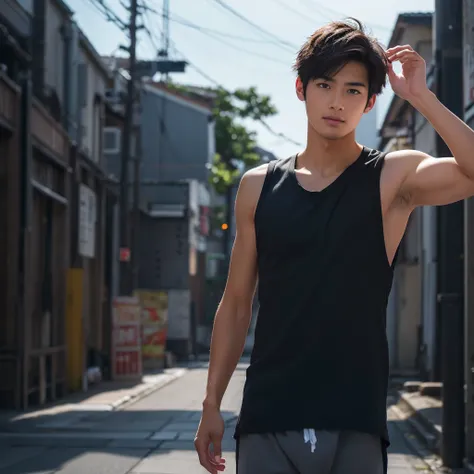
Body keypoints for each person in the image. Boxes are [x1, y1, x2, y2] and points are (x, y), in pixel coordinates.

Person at [194, 18, 474, 474]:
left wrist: (421, 96)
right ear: (302, 89)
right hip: (269, 412)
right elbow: (237, 305)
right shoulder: (258, 187)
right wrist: (211, 403)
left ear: (369, 103)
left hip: (354, 416)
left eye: (353, 90)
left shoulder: (392, 177)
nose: (337, 102)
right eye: (325, 85)